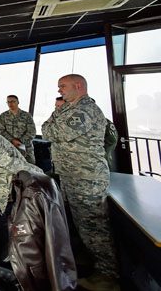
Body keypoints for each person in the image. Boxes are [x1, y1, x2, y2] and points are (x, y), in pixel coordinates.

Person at [42, 74, 118, 288]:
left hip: (87, 179)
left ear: (78, 86)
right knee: (83, 225)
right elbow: (48, 127)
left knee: (94, 227)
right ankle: (93, 262)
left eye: (62, 86)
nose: (59, 91)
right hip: (74, 177)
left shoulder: (84, 110)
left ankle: (108, 277)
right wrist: (55, 117)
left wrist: (55, 118)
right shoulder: (69, 108)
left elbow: (50, 131)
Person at [0, 95, 37, 164]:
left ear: (18, 102)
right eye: (8, 102)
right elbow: (1, 131)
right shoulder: (3, 116)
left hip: (26, 147)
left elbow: (32, 132)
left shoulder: (26, 115)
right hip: (9, 146)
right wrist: (12, 140)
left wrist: (20, 141)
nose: (10, 104)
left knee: (30, 169)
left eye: (13, 101)